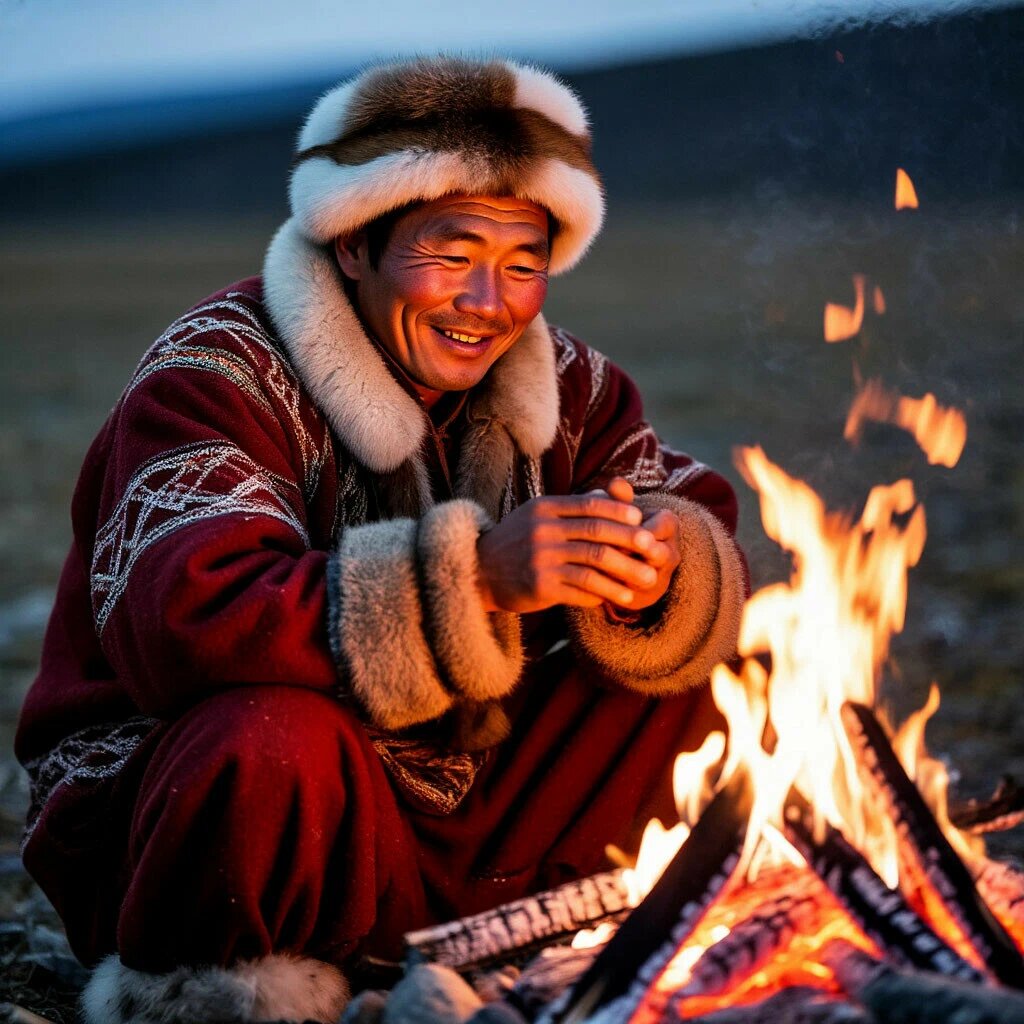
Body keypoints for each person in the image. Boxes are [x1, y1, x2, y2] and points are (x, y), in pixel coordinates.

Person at [15, 56, 746, 1024]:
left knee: (709, 672)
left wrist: (649, 559)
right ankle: (225, 986)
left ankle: (511, 943)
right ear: (352, 244)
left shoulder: (575, 386)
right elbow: (187, 616)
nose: (488, 301)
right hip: (247, 834)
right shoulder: (212, 376)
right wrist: (477, 578)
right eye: (451, 254)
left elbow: (685, 505)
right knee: (267, 738)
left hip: (461, 825)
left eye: (523, 264)